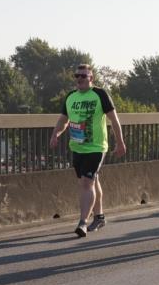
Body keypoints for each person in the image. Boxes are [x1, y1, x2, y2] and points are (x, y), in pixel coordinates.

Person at [50, 64, 127, 237]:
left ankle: (83, 222)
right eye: (77, 76)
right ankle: (99, 217)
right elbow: (63, 120)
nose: (79, 79)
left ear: (91, 78)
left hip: (96, 147)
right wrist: (55, 134)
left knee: (87, 182)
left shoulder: (100, 94)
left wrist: (120, 142)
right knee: (91, 181)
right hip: (77, 146)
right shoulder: (71, 97)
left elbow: (114, 120)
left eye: (83, 76)